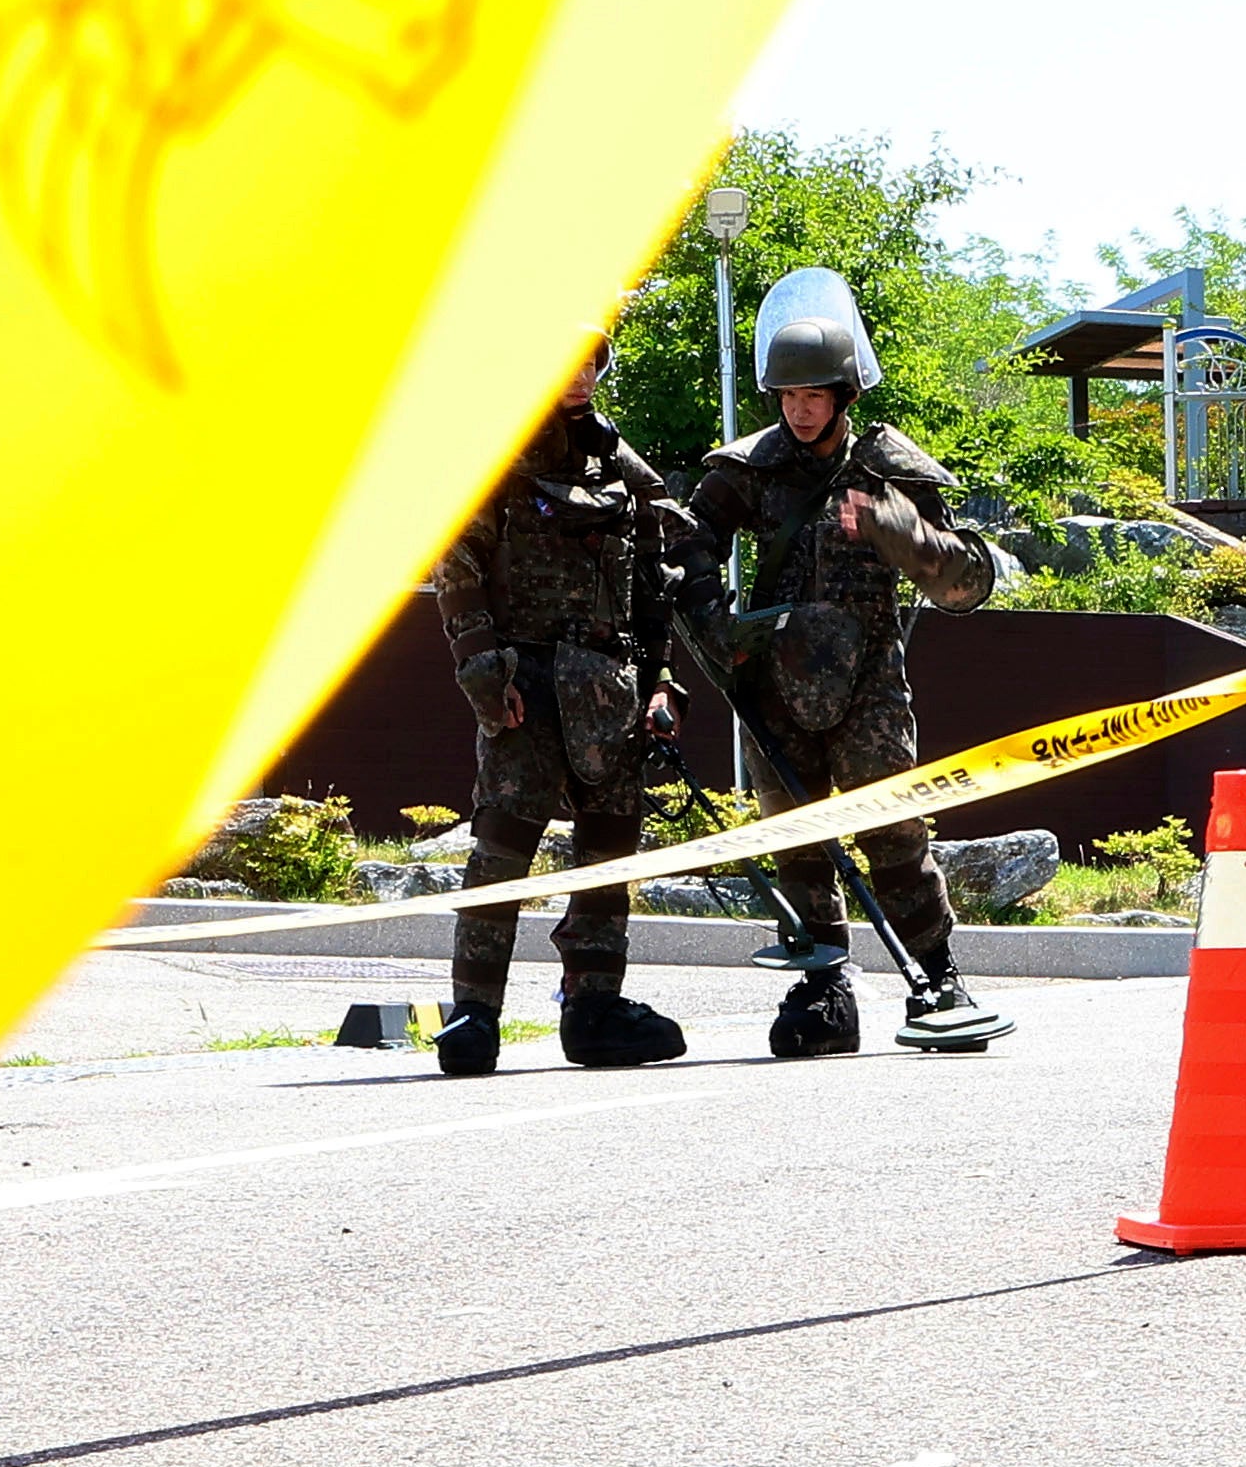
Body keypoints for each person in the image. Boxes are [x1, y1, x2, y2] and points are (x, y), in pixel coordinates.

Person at [679, 268, 1009, 1057]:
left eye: (815, 395)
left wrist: (899, 530)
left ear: (843, 393)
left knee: (892, 836)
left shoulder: (889, 470)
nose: (800, 409)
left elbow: (968, 582)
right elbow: (683, 548)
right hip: (772, 685)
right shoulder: (748, 470)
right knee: (796, 840)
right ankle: (824, 988)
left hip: (868, 688)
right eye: (789, 396)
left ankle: (939, 977)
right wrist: (714, 627)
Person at [427, 340, 693, 1077]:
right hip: (525, 683)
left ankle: (595, 1010)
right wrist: (482, 668)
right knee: (501, 851)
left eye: (591, 362)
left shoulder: (621, 467)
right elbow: (458, 564)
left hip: (610, 688)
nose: (578, 376)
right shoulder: (497, 457)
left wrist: (663, 683)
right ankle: (475, 1015)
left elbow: (653, 585)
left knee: (609, 854)